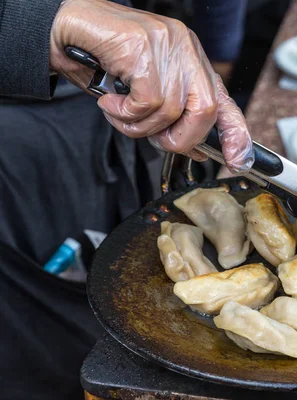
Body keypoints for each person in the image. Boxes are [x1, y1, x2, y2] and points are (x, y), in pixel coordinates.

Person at [0, 0, 252, 399]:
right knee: (42, 325)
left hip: (128, 88)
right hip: (18, 128)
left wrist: (216, 51)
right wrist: (34, 23)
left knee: (133, 274)